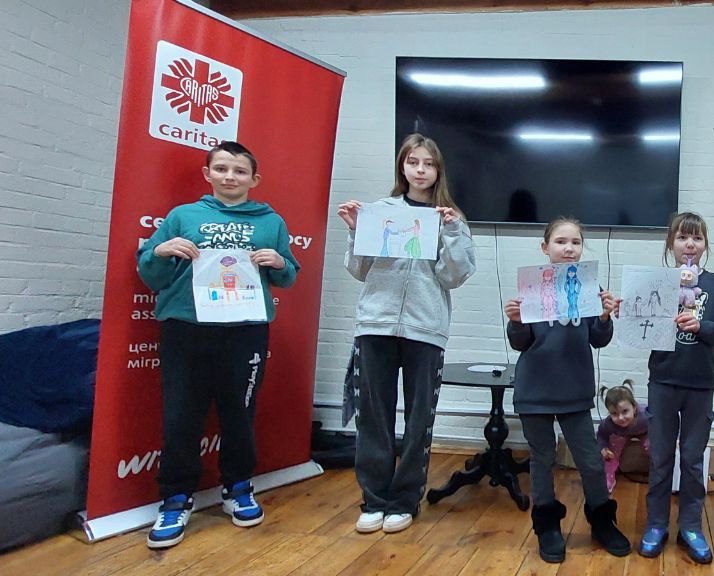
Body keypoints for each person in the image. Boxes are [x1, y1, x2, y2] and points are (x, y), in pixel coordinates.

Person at [137, 141, 300, 549]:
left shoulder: (271, 222)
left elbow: (288, 276)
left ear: (254, 179)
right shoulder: (182, 216)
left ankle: (238, 487)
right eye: (222, 169)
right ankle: (175, 499)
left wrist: (280, 262)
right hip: (186, 328)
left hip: (245, 330)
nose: (230, 177)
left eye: (240, 171)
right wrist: (161, 250)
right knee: (181, 415)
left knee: (240, 413)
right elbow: (151, 274)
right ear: (207, 174)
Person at [335, 133, 475, 534]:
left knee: (418, 421)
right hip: (375, 324)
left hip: (425, 328)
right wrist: (355, 231)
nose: (420, 170)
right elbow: (359, 270)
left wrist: (451, 232)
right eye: (413, 162)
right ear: (402, 166)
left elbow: (454, 276)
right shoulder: (380, 211)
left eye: (428, 164)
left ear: (438, 170)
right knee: (373, 417)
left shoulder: (452, 218)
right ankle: (374, 500)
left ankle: (404, 500)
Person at [504, 217, 630, 563]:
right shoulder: (531, 287)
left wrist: (604, 317)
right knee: (542, 460)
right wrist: (516, 321)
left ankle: (602, 521)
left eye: (575, 242)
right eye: (561, 241)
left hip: (575, 391)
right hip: (534, 392)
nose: (569, 248)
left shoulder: (590, 286)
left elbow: (598, 340)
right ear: (545, 247)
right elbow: (519, 342)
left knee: (590, 461)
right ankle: (547, 527)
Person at [637, 212, 714, 564]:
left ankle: (691, 526)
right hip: (663, 381)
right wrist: (629, 314)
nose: (689, 244)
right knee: (660, 458)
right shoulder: (657, 282)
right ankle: (656, 524)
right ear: (671, 244)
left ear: (705, 244)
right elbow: (639, 324)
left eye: (696, 238)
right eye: (682, 237)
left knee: (693, 461)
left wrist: (701, 326)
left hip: (700, 384)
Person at [595, 380, 649, 494]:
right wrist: (603, 448)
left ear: (634, 408)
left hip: (645, 432)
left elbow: (663, 424)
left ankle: (657, 474)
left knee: (654, 445)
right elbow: (601, 435)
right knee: (610, 452)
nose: (620, 418)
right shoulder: (608, 424)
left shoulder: (645, 416)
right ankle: (609, 475)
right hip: (621, 434)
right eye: (614, 413)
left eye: (625, 411)